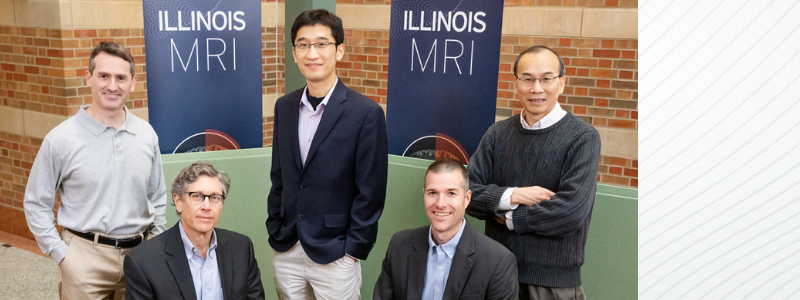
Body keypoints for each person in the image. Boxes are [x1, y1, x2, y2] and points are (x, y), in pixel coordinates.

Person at [23, 41, 166, 299]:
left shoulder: (146, 134)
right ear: (89, 78)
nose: (112, 85)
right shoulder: (61, 139)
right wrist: (61, 254)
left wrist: (155, 243)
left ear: (132, 82)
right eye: (104, 76)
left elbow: (157, 196)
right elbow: (36, 202)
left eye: (121, 77)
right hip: (84, 260)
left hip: (140, 258)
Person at [266, 9, 389, 299]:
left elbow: (370, 191)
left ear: (340, 50)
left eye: (322, 43)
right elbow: (279, 176)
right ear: (294, 53)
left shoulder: (366, 113)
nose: (312, 53)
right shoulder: (284, 107)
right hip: (288, 247)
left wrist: (353, 250)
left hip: (336, 252)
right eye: (303, 44)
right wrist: (275, 228)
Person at [466, 45, 601, 300]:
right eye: (527, 79)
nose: (536, 88)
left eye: (546, 79)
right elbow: (468, 193)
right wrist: (514, 195)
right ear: (515, 84)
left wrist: (508, 219)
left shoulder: (583, 137)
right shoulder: (497, 134)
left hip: (553, 283)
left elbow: (570, 212)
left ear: (562, 83)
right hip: (496, 273)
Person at [374, 159, 518, 300]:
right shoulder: (399, 246)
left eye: (451, 193)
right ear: (424, 195)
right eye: (432, 193)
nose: (440, 204)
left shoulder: (498, 261)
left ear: (467, 199)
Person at [124, 161, 265, 299]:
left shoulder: (241, 248)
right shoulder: (143, 261)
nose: (207, 206)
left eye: (215, 198)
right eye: (197, 196)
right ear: (178, 202)